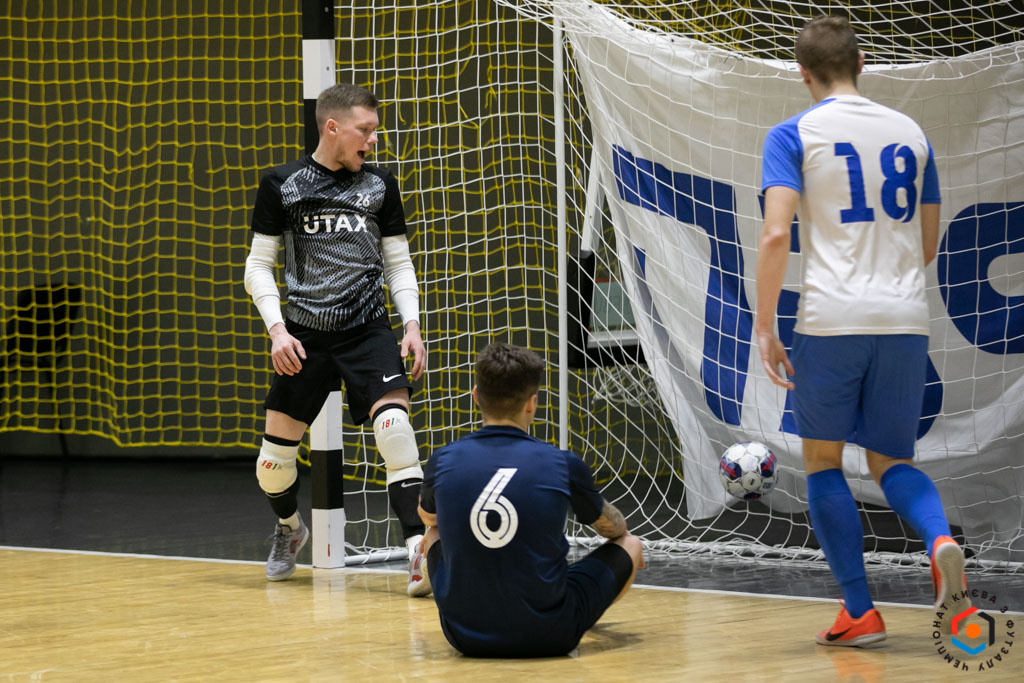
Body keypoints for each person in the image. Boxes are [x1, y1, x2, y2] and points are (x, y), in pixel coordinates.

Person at [756, 15, 969, 647]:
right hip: (904, 321)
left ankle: (860, 612)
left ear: (803, 74)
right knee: (891, 461)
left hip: (831, 319)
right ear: (862, 62)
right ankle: (939, 539)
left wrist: (765, 326)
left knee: (823, 461)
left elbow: (775, 233)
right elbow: (927, 245)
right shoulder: (911, 133)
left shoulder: (792, 135)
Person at [244, 83, 430, 595]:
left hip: (367, 330)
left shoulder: (379, 185)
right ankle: (289, 528)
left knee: (395, 430)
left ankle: (419, 550)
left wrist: (412, 324)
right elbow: (258, 267)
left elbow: (398, 263)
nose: (373, 140)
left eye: (374, 130)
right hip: (304, 334)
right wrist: (276, 330)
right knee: (272, 467)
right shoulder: (282, 184)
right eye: (364, 130)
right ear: (333, 127)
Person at [416, 342, 645, 657]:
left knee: (433, 533)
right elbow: (613, 529)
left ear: (476, 395)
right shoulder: (562, 463)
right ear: (532, 403)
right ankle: (582, 614)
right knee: (630, 544)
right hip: (552, 636)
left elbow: (428, 518)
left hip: (464, 638)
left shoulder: (442, 460)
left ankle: (468, 606)